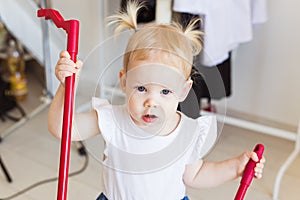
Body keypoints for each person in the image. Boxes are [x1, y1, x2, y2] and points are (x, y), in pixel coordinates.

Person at [48, 1, 265, 200]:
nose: (151, 102)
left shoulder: (187, 131)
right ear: (124, 82)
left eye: (165, 92)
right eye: (141, 88)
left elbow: (196, 175)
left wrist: (235, 168)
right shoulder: (112, 119)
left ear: (183, 90)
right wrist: (66, 88)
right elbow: (62, 128)